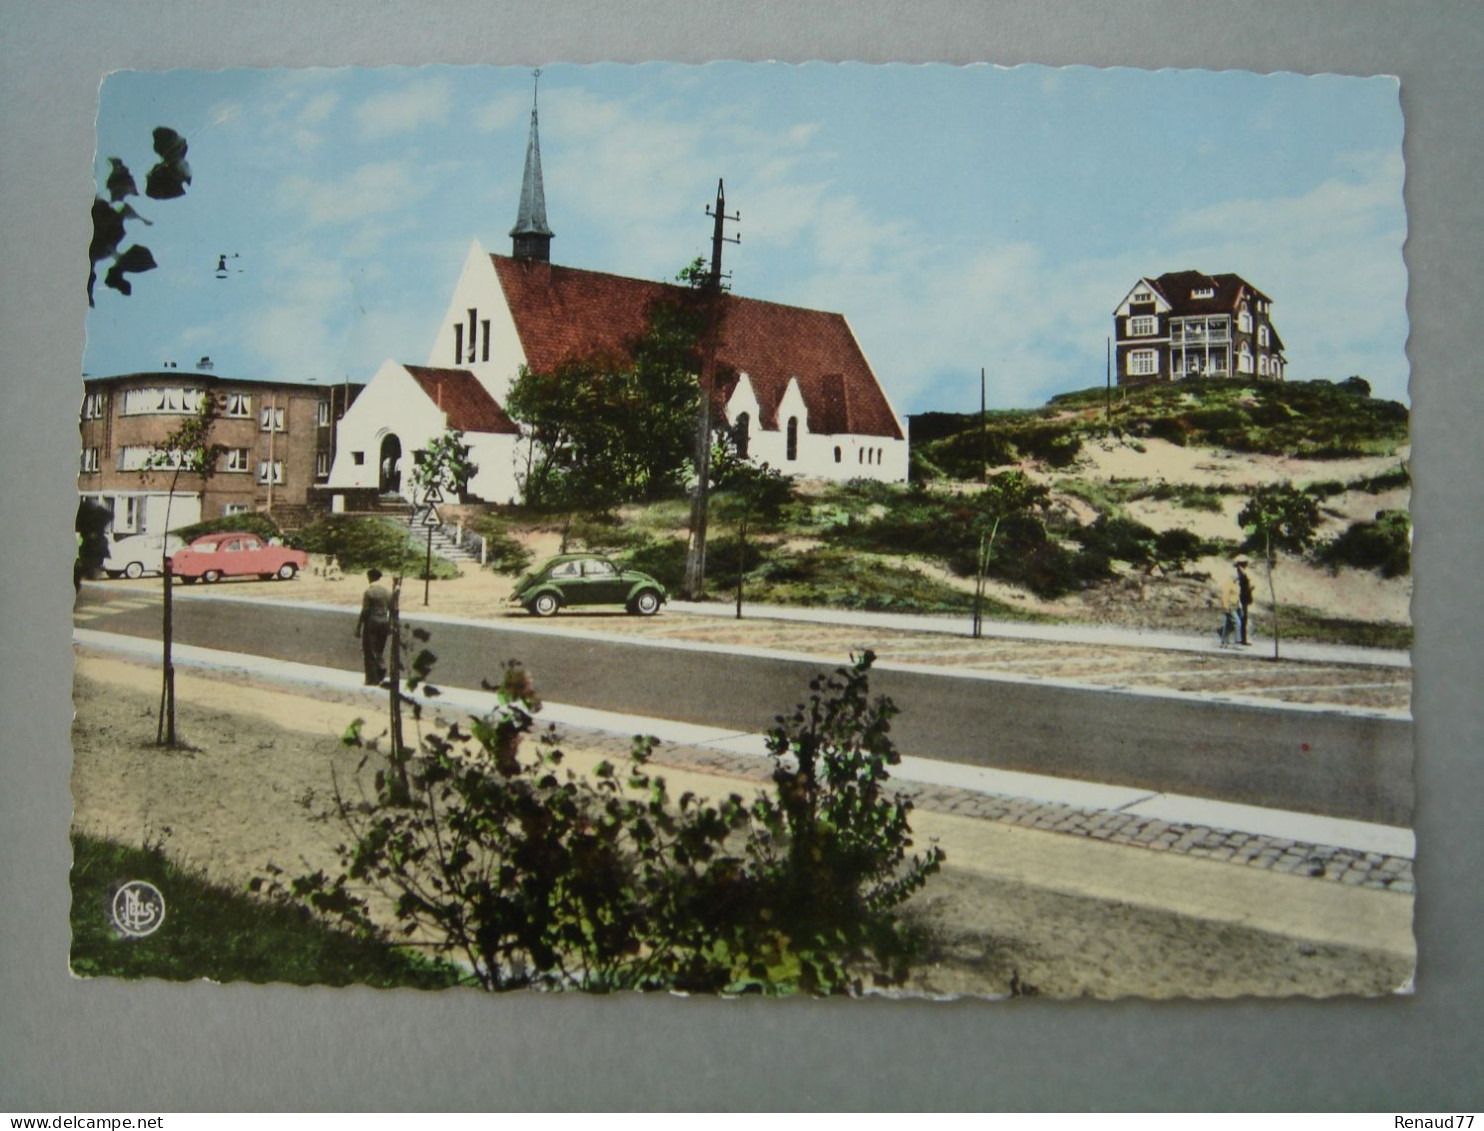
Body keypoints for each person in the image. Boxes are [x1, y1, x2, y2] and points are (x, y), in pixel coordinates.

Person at [354, 568, 393, 685]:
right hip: (384, 621)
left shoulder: (369, 592)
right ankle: (380, 668)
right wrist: (390, 624)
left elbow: (365, 610)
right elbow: (392, 610)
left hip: (372, 621)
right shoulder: (387, 592)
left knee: (370, 650)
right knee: (380, 649)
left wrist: (359, 626)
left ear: (370, 577)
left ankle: (372, 679)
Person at [1234, 559, 1255, 646]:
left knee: (1242, 618)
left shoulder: (1240, 576)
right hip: (1243, 599)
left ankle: (1241, 638)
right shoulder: (1242, 576)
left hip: (1243, 598)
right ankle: (1242, 639)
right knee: (1243, 618)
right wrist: (1250, 589)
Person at [1217, 569, 1239, 648]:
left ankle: (1223, 642)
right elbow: (1225, 596)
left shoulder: (1236, 585)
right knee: (1237, 623)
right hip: (1229, 606)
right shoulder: (1228, 584)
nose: (1237, 578)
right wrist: (1226, 606)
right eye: (1236, 576)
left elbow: (1236, 596)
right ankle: (1238, 642)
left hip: (1234, 606)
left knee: (1228, 625)